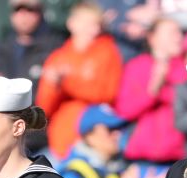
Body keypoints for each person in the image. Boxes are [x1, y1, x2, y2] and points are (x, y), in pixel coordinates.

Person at [35, 1, 123, 159]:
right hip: (61, 141)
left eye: (97, 24)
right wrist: (53, 84)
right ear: (71, 24)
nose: (93, 30)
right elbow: (44, 107)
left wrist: (68, 81)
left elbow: (107, 94)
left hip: (94, 141)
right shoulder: (59, 56)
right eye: (87, 24)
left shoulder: (108, 52)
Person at [114, 17, 187, 167]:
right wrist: (153, 90)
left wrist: (163, 91)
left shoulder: (186, 68)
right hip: (140, 159)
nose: (179, 37)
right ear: (153, 38)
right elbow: (125, 109)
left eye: (180, 32)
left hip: (178, 158)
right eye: (172, 33)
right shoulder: (136, 67)